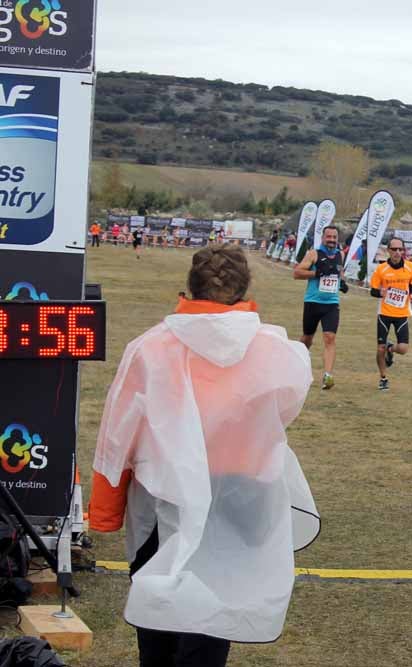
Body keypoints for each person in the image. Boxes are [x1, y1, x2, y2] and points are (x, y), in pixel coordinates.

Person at [90, 245, 320, 667]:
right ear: (244, 290)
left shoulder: (150, 348)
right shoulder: (277, 351)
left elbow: (117, 438)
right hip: (240, 497)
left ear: (190, 287)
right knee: (216, 609)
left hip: (164, 495)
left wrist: (105, 511)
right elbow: (284, 408)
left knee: (160, 610)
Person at [294, 225, 348, 390]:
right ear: (323, 238)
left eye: (334, 237)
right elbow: (297, 273)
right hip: (313, 302)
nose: (331, 240)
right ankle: (296, 364)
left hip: (331, 303)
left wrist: (342, 282)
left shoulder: (340, 254)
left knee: (329, 337)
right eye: (328, 237)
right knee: (307, 338)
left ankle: (327, 375)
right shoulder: (314, 254)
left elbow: (338, 271)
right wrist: (316, 273)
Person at [370, 237, 412, 390]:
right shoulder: (381, 269)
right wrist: (380, 293)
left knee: (403, 349)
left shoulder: (410, 267)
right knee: (380, 348)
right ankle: (383, 378)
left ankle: (390, 348)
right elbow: (373, 290)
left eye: (400, 249)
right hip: (384, 313)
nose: (397, 252)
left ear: (403, 250)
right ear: (388, 251)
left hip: (401, 313)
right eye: (394, 249)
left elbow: (411, 284)